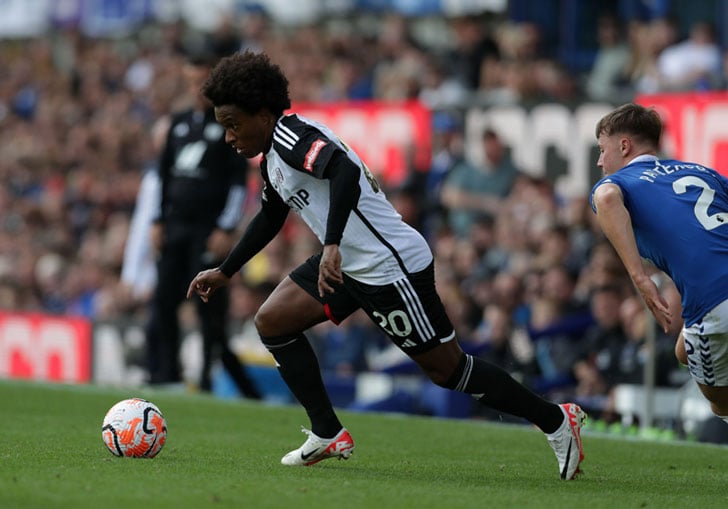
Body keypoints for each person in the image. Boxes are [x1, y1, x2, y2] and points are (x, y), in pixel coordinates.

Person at [186, 50, 585, 479]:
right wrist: (227, 270)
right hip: (345, 265)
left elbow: (342, 171)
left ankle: (556, 420)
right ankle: (327, 432)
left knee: (447, 370)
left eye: (233, 124)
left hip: (388, 266)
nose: (228, 137)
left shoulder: (289, 135)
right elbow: (270, 217)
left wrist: (334, 243)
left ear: (263, 114)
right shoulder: (272, 161)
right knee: (273, 322)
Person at [591, 102, 728, 428]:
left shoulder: (622, 182)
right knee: (683, 352)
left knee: (721, 404)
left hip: (714, 301)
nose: (599, 160)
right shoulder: (703, 171)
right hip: (712, 302)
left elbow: (606, 199)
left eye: (601, 149)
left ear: (624, 146)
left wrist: (640, 278)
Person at [146, 50, 261, 400]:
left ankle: (209, 380)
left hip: (207, 230)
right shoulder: (178, 123)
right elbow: (161, 177)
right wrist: (156, 220)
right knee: (164, 300)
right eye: (191, 82)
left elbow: (239, 183)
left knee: (207, 308)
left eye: (202, 81)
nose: (196, 88)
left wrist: (226, 227)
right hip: (175, 226)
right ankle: (165, 376)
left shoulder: (228, 124)